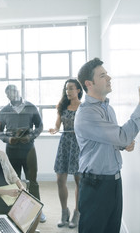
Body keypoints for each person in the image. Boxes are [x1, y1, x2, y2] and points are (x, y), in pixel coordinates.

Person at [74, 58, 140, 233]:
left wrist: (121, 145)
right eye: (103, 75)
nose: (109, 78)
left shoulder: (107, 108)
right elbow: (122, 136)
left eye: (107, 74)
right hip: (96, 186)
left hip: (113, 182)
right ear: (89, 83)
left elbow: (112, 139)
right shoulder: (87, 113)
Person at [0, 84, 46, 222]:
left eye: (14, 91)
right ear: (7, 95)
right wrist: (7, 139)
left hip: (28, 149)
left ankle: (38, 211)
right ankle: (16, 211)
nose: (13, 94)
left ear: (19, 92)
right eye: (9, 93)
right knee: (13, 181)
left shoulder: (30, 107)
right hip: (11, 150)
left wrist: (30, 136)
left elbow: (40, 126)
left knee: (33, 181)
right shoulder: (4, 111)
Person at [48, 79, 82, 228]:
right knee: (60, 180)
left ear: (78, 90)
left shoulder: (83, 107)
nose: (68, 91)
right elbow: (57, 124)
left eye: (71, 88)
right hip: (65, 143)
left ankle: (77, 213)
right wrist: (54, 129)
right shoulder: (62, 106)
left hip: (78, 145)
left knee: (78, 181)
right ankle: (64, 213)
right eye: (66, 89)